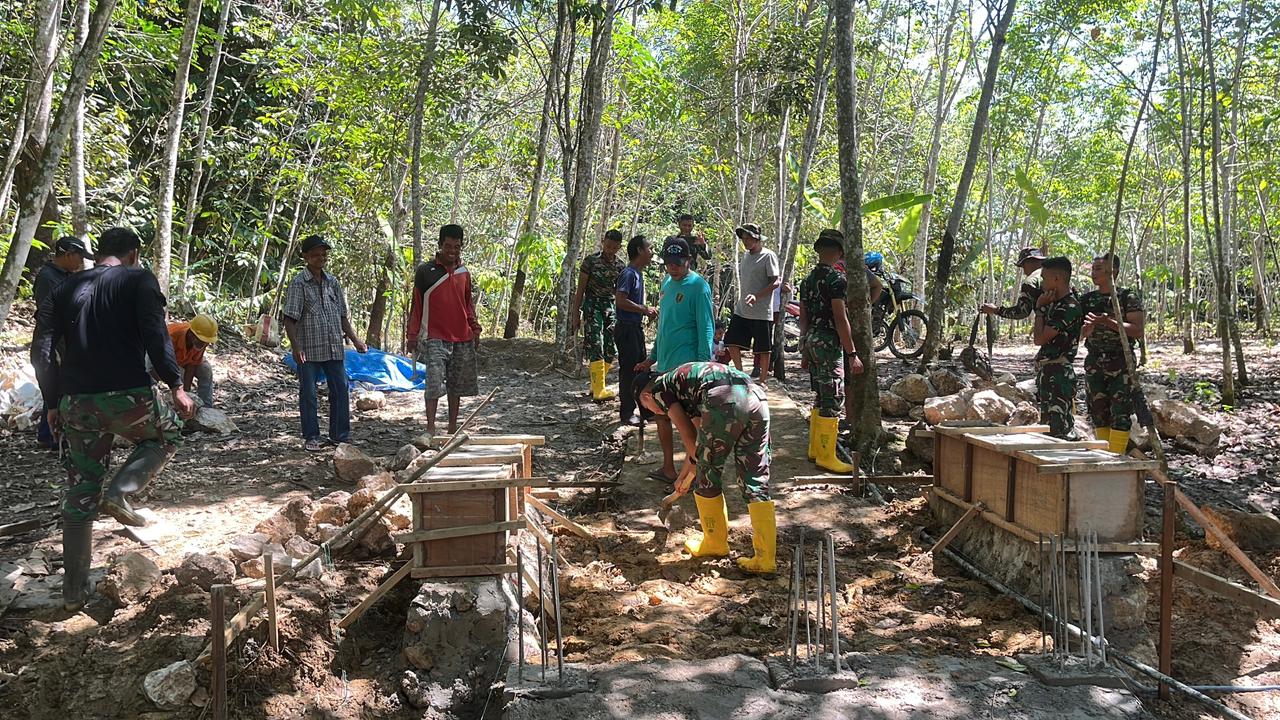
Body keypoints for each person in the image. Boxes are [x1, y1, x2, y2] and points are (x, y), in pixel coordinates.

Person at [32, 227, 195, 610]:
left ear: (98, 253)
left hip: (77, 403)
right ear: (134, 254)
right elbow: (156, 336)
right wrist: (176, 385)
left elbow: (41, 349)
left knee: (80, 494)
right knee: (169, 432)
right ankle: (120, 491)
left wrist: (52, 402)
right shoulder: (139, 280)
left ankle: (73, 593)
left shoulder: (64, 287)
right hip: (129, 397)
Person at [638, 362, 775, 574]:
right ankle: (765, 559)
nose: (655, 412)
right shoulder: (685, 385)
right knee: (754, 478)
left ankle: (715, 543)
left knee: (707, 477)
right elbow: (698, 442)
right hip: (755, 397)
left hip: (724, 400)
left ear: (646, 396)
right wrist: (684, 476)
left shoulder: (659, 390)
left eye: (648, 408)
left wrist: (693, 474)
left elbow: (689, 437)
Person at [635, 238, 714, 483]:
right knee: (661, 414)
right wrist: (652, 358)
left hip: (688, 367)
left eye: (678, 263)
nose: (673, 268)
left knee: (693, 420)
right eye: (669, 263)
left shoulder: (699, 287)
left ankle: (700, 474)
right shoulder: (667, 284)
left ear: (688, 260)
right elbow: (664, 325)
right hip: (665, 364)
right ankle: (668, 467)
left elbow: (706, 327)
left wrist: (703, 365)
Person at [283, 234, 368, 452]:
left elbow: (342, 317)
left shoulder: (333, 283)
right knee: (309, 393)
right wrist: (296, 347)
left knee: (340, 388)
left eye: (323, 254)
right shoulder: (299, 284)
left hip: (333, 346)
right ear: (306, 256)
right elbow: (289, 319)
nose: (320, 258)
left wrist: (356, 340)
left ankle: (340, 435)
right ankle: (312, 436)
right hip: (309, 349)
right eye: (315, 255)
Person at [407, 224, 482, 435]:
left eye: (457, 247)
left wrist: (475, 328)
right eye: (448, 246)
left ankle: (452, 429)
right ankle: (430, 429)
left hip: (461, 337)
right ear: (440, 245)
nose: (452, 251)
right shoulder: (425, 271)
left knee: (455, 386)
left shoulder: (464, 273)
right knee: (433, 384)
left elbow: (468, 304)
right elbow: (416, 306)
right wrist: (412, 335)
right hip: (434, 336)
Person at [798, 229, 863, 472]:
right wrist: (852, 353)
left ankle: (815, 449)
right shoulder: (837, 280)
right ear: (839, 252)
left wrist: (804, 346)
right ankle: (826, 455)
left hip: (812, 340)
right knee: (833, 397)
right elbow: (839, 317)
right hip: (828, 343)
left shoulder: (807, 280)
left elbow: (803, 317)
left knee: (820, 395)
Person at [1080, 252, 1144, 453]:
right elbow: (1076, 333)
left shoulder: (1127, 297)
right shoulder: (1087, 300)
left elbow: (1138, 330)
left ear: (1113, 271)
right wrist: (1085, 331)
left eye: (1098, 269)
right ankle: (1104, 453)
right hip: (1094, 361)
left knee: (1120, 411)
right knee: (1098, 410)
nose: (1094, 273)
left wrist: (1107, 322)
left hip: (1121, 361)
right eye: (1093, 269)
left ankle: (1116, 455)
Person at [31, 237, 91, 448]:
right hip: (55, 341)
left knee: (60, 385)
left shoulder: (64, 276)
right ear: (68, 255)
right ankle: (49, 435)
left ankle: (52, 433)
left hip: (66, 338)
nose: (81, 263)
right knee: (55, 384)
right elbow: (49, 314)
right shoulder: (48, 278)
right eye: (79, 257)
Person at [1030, 257, 1083, 439]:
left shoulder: (1068, 307)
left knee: (1059, 431)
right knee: (1047, 429)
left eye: (1044, 278)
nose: (1042, 284)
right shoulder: (1055, 304)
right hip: (1049, 372)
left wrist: (1039, 310)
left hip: (1059, 374)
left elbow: (1039, 338)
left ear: (1057, 279)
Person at [571, 229, 626, 401]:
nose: (610, 250)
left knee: (611, 347)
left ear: (619, 247)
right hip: (592, 305)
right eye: (608, 246)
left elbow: (620, 293)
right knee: (596, 344)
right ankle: (599, 390)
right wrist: (575, 314)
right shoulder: (590, 261)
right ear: (603, 243)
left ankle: (595, 384)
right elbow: (580, 290)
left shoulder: (620, 266)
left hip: (611, 307)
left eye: (614, 248)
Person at [723, 223, 781, 383]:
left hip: (761, 311)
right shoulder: (746, 256)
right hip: (742, 309)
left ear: (757, 238)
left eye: (749, 238)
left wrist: (757, 296)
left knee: (763, 349)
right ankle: (741, 375)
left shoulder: (768, 256)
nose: (746, 241)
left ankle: (762, 381)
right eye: (743, 238)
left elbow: (776, 281)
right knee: (732, 342)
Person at [614, 234, 657, 425]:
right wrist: (643, 309)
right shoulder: (629, 274)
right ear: (640, 250)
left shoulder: (638, 274)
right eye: (649, 248)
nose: (652, 252)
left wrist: (645, 311)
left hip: (635, 328)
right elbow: (620, 300)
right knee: (629, 371)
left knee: (642, 368)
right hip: (626, 329)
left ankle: (646, 410)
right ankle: (627, 413)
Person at [166, 314, 219, 408]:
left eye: (206, 341)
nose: (203, 344)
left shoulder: (202, 341)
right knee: (179, 374)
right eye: (201, 340)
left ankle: (206, 407)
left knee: (206, 369)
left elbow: (192, 364)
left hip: (183, 361)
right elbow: (160, 362)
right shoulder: (171, 336)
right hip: (163, 360)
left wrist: (187, 393)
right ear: (191, 334)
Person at [980, 246, 1046, 320]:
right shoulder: (1054, 273)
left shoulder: (1030, 282)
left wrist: (995, 310)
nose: (1024, 272)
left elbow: (1021, 312)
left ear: (1026, 264)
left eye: (1023, 267)